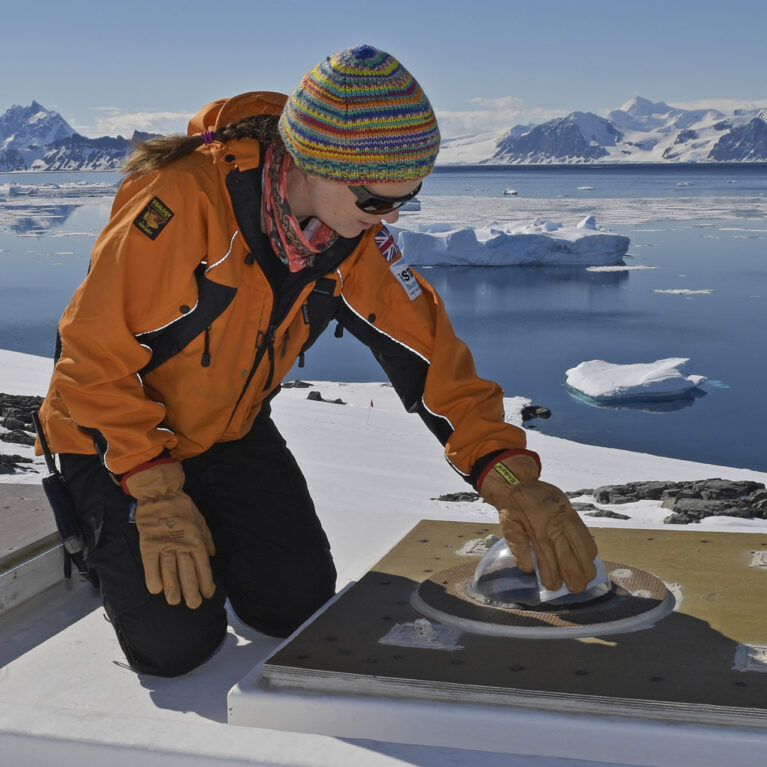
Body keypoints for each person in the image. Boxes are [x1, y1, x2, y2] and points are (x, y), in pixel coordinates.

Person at [36, 45, 597, 677]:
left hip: (225, 430)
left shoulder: (348, 237)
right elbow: (90, 357)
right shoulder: (182, 202)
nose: (387, 217)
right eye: (376, 200)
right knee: (175, 646)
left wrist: (509, 476)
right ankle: (105, 535)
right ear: (315, 163)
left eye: (404, 200)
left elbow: (434, 358)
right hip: (113, 436)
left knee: (295, 606)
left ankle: (204, 517)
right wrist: (158, 491)